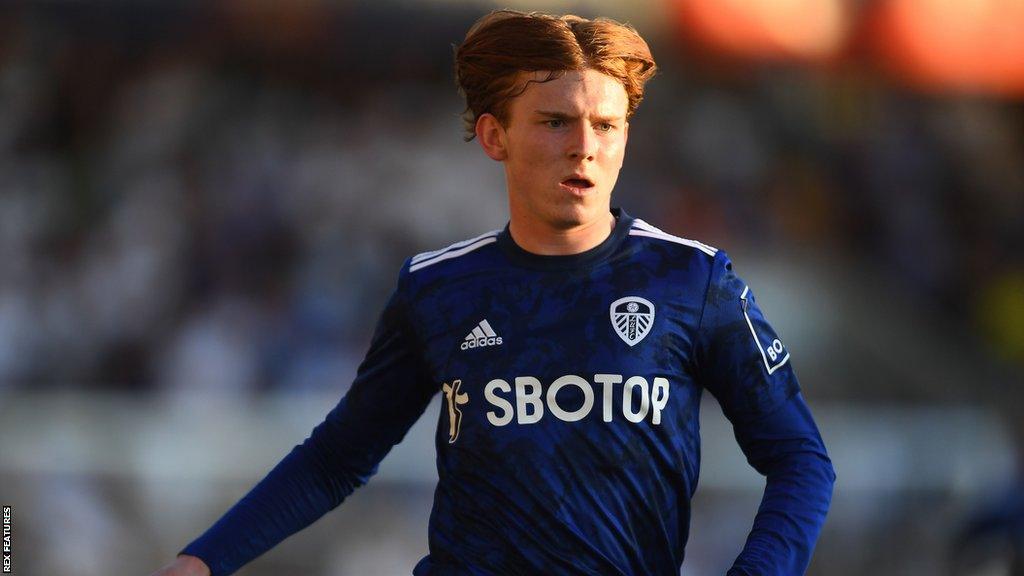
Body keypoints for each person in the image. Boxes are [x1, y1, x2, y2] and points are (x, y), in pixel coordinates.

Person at [151, 9, 835, 576]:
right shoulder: (439, 288)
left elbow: (800, 459)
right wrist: (205, 561)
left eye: (607, 124)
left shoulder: (692, 280)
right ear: (493, 136)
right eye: (554, 121)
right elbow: (338, 457)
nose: (584, 147)